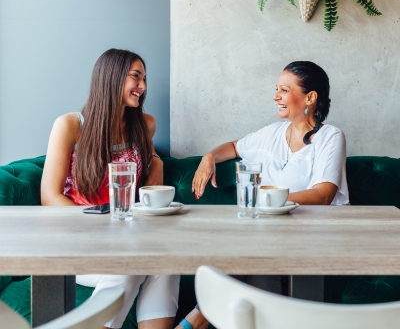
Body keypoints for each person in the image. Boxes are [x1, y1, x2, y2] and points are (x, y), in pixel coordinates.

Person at [176, 61, 349, 329]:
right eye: (276, 89)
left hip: (315, 239)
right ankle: (197, 320)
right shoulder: (272, 134)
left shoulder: (330, 137)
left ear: (310, 97)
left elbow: (324, 194)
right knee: (255, 255)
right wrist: (209, 157)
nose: (275, 96)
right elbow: (234, 147)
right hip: (269, 239)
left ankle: (195, 320)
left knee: (252, 253)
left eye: (283, 89)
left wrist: (267, 199)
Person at [41, 49, 179, 329]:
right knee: (128, 267)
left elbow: (151, 168)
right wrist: (101, 227)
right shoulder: (69, 125)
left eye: (144, 79)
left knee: (168, 260)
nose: (143, 87)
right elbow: (49, 197)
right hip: (77, 239)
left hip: (127, 236)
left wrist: (155, 162)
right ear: (112, 78)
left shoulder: (144, 125)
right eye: (136, 77)